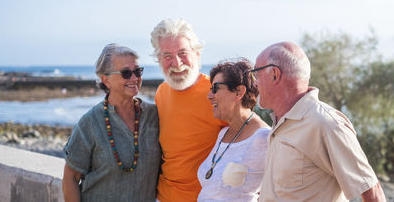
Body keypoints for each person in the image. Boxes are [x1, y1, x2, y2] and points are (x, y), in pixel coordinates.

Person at [253, 41, 386, 202]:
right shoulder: (280, 123)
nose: (254, 83)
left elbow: (372, 192)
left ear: (275, 74)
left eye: (256, 74)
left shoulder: (326, 124)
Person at [62, 43, 161, 202]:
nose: (134, 78)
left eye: (137, 71)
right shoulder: (90, 122)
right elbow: (70, 179)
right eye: (126, 73)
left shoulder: (154, 116)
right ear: (106, 80)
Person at [150, 18, 226, 201]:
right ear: (159, 60)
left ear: (197, 54)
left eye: (183, 53)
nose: (176, 63)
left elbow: (254, 132)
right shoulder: (161, 93)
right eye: (167, 56)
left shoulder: (218, 92)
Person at [197, 59, 270, 201]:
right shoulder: (223, 134)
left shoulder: (263, 137)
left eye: (215, 88)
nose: (209, 96)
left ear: (239, 92)